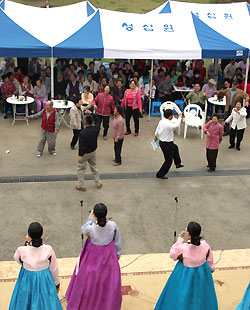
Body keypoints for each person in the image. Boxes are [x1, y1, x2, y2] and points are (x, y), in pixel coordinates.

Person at [66, 203, 122, 310]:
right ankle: (106, 303)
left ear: (95, 215)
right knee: (107, 279)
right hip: (108, 254)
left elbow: (84, 229)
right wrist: (118, 254)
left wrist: (90, 219)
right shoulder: (113, 225)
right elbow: (117, 241)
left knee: (90, 279)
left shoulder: (91, 228)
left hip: (93, 255)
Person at [155, 222, 217, 310]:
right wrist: (211, 269)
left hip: (185, 276)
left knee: (182, 297)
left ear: (188, 234)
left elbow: (172, 254)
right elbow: (210, 263)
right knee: (201, 299)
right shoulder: (205, 245)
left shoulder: (183, 248)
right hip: (201, 276)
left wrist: (179, 240)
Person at [9, 222, 62, 310]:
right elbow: (54, 268)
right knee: (46, 302)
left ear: (28, 235)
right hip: (45, 280)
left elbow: (17, 259)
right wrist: (56, 284)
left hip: (26, 279)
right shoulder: (48, 249)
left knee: (25, 300)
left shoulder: (21, 250)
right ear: (42, 234)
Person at [154, 109, 184, 179]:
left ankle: (178, 163)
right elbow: (176, 125)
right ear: (170, 116)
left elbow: (157, 130)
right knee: (168, 160)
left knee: (175, 148)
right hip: (167, 144)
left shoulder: (161, 121)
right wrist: (180, 117)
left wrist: (155, 136)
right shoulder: (168, 124)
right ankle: (160, 174)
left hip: (163, 142)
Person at [76, 114, 102, 191]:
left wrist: (80, 155)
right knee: (94, 167)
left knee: (81, 169)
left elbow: (81, 145)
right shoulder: (96, 129)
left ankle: (81, 185)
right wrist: (92, 114)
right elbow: (98, 121)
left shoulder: (83, 133)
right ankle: (98, 182)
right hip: (93, 151)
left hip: (85, 153)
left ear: (85, 122)